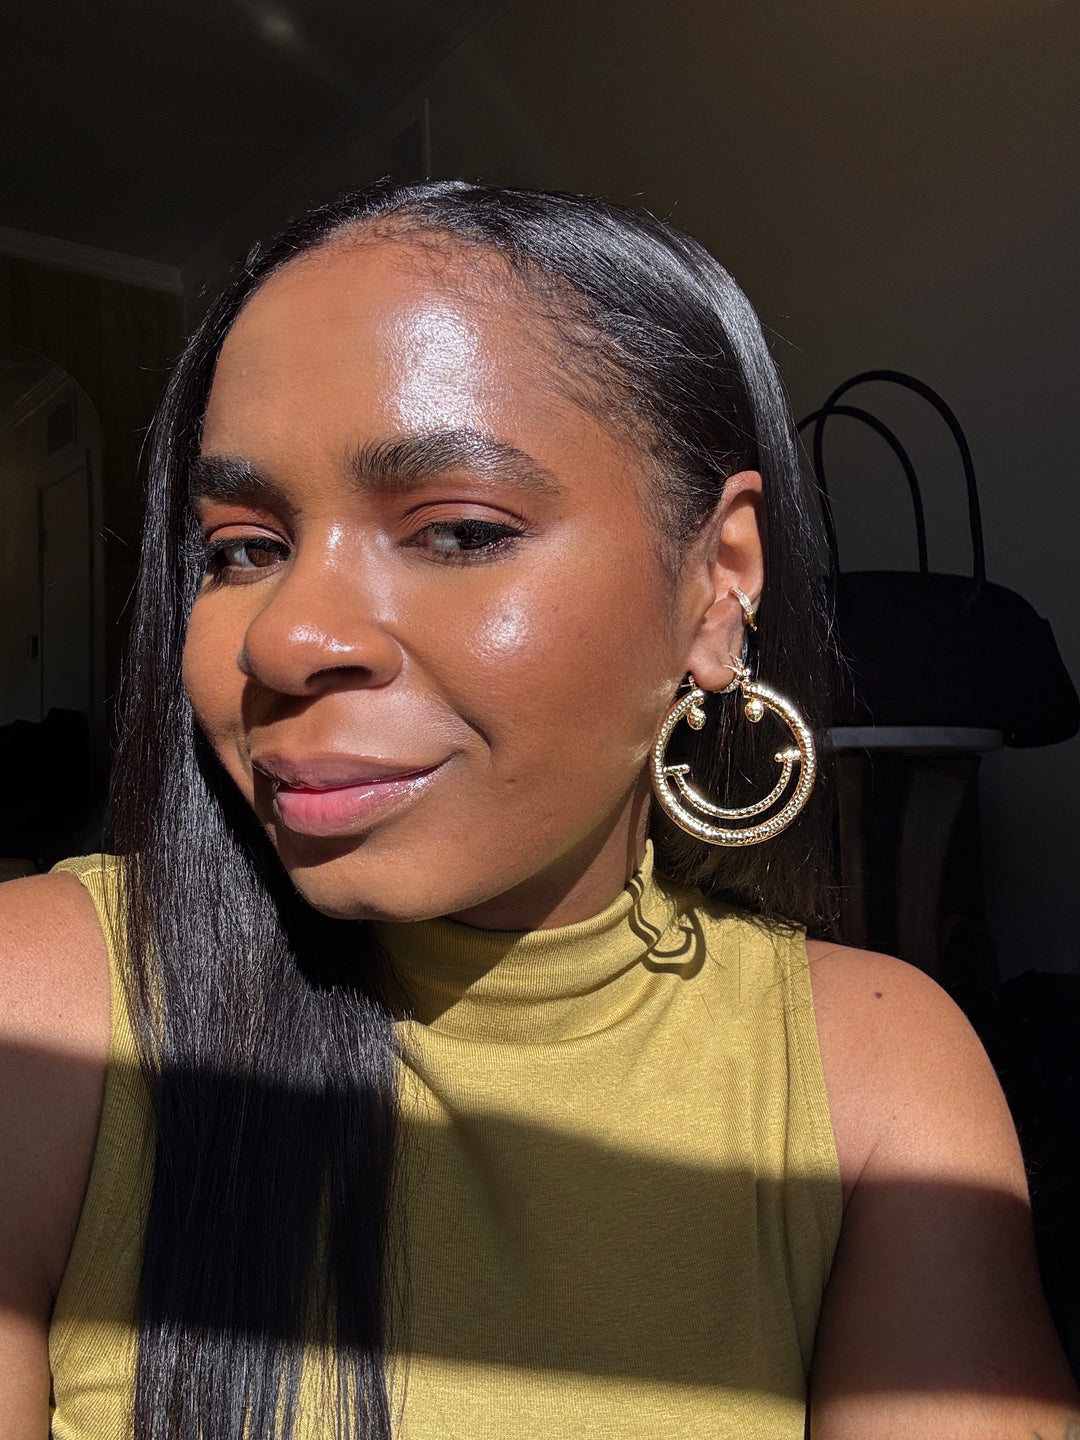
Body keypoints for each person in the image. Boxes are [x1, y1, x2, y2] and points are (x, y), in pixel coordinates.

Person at [0, 181, 1076, 1440]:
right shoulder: (49, 1011)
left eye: (456, 530)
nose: (286, 636)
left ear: (716, 585)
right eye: (244, 547)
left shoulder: (877, 1077)